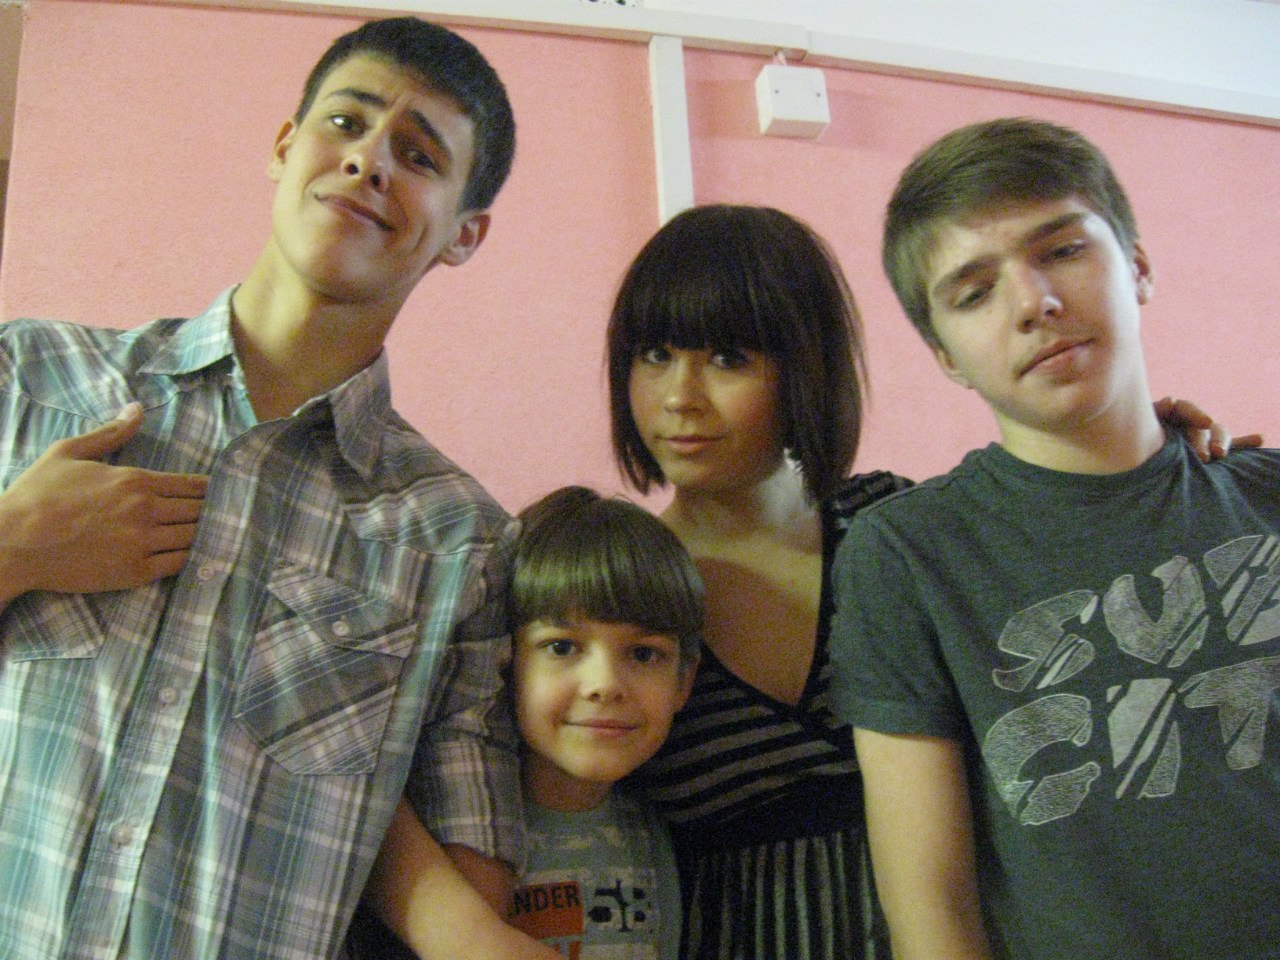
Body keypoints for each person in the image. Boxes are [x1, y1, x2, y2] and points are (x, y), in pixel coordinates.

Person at [0, 17, 528, 960]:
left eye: (418, 155)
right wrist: (14, 547)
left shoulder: (459, 542)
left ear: (466, 234)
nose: (368, 161)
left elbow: (461, 894)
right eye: (346, 122)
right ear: (286, 145)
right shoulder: (31, 379)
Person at [606, 203, 1256, 960]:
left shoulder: (904, 534)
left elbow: (1079, 549)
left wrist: (1156, 451)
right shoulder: (612, 583)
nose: (680, 397)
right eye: (654, 354)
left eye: (728, 358)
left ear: (805, 367)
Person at [829, 117, 1280, 960]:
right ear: (945, 355)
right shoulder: (909, 554)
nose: (1034, 303)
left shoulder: (1266, 496)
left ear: (1137, 266)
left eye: (1064, 250)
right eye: (973, 293)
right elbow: (933, 905)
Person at [353, 485, 701, 959]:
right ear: (502, 660)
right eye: (562, 647)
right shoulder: (440, 834)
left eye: (643, 654)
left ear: (684, 681)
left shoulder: (656, 835)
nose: (604, 685)